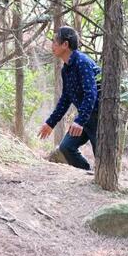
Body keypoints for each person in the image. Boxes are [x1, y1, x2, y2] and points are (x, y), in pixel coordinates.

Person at [38, 26, 101, 171]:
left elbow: (91, 94)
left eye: (55, 42)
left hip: (99, 118)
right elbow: (66, 98)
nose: (52, 46)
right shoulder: (66, 69)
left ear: (65, 45)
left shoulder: (82, 62)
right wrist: (50, 123)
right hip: (85, 118)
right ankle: (86, 172)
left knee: (102, 158)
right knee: (66, 148)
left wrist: (79, 121)